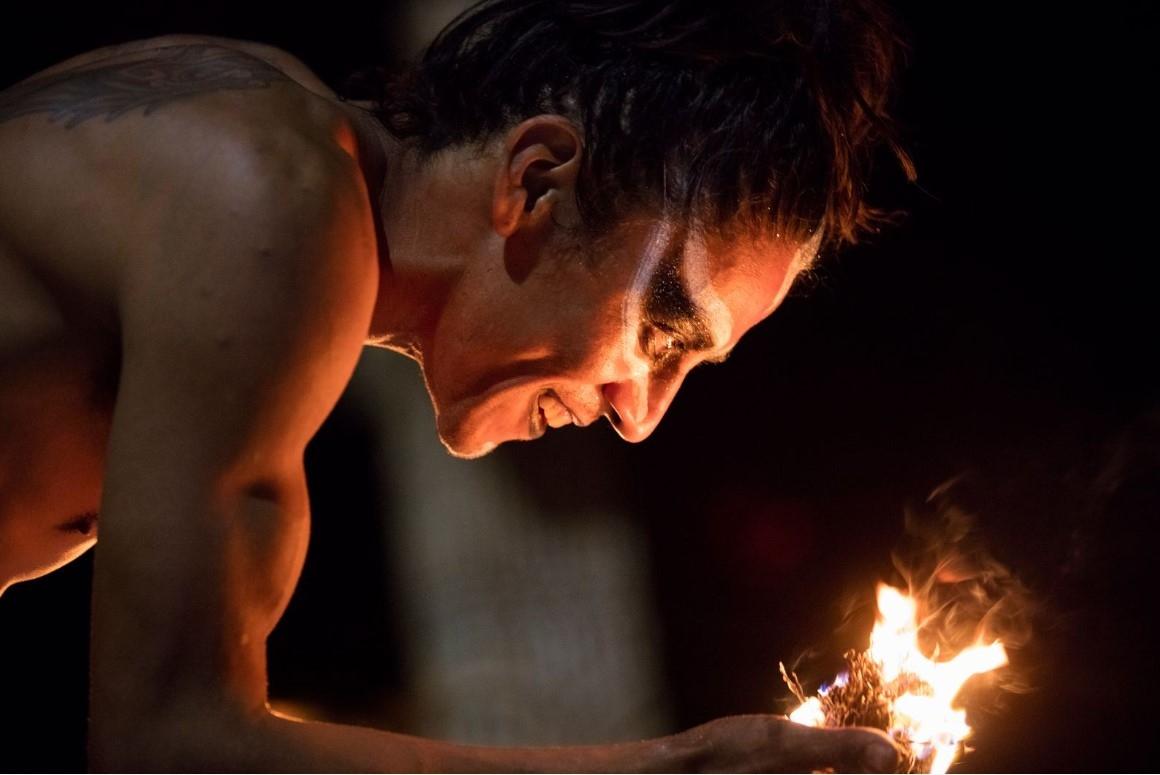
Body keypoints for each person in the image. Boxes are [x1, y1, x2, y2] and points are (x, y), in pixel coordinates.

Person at [0, 0, 914, 770]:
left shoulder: (266, 145)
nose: (640, 414)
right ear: (537, 181)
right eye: (660, 331)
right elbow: (165, 743)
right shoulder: (271, 200)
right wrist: (660, 765)